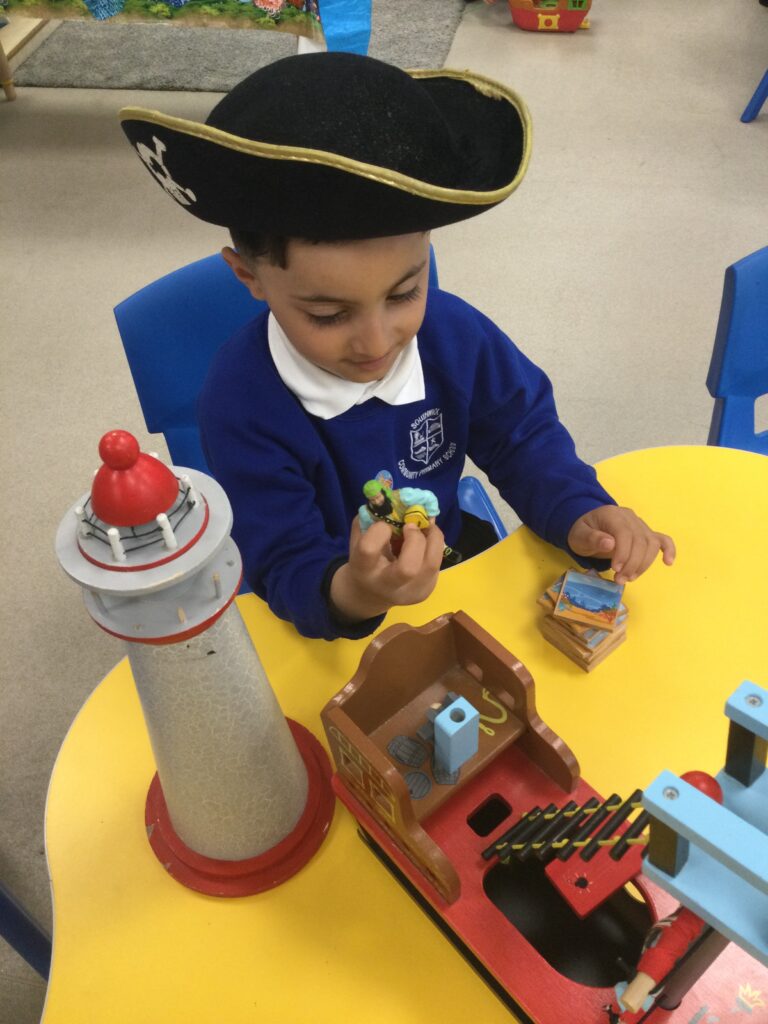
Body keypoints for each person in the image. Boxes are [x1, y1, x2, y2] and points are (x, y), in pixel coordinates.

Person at [120, 52, 675, 641]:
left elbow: (522, 437)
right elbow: (280, 558)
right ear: (248, 276)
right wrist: (355, 592)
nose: (377, 341)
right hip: (330, 605)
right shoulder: (239, 402)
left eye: (406, 292)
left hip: (449, 561)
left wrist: (578, 508)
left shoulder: (454, 334)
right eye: (328, 314)